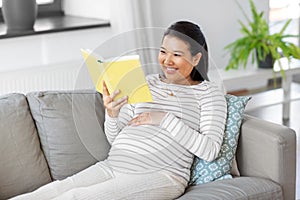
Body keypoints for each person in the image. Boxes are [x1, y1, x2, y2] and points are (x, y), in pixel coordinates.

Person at [11, 21, 227, 200]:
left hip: (160, 174)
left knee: (76, 197)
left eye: (177, 55)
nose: (167, 61)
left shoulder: (208, 94)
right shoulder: (147, 82)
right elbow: (116, 139)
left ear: (196, 58)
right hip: (114, 165)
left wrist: (164, 119)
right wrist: (112, 115)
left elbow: (209, 150)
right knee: (52, 190)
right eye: (163, 52)